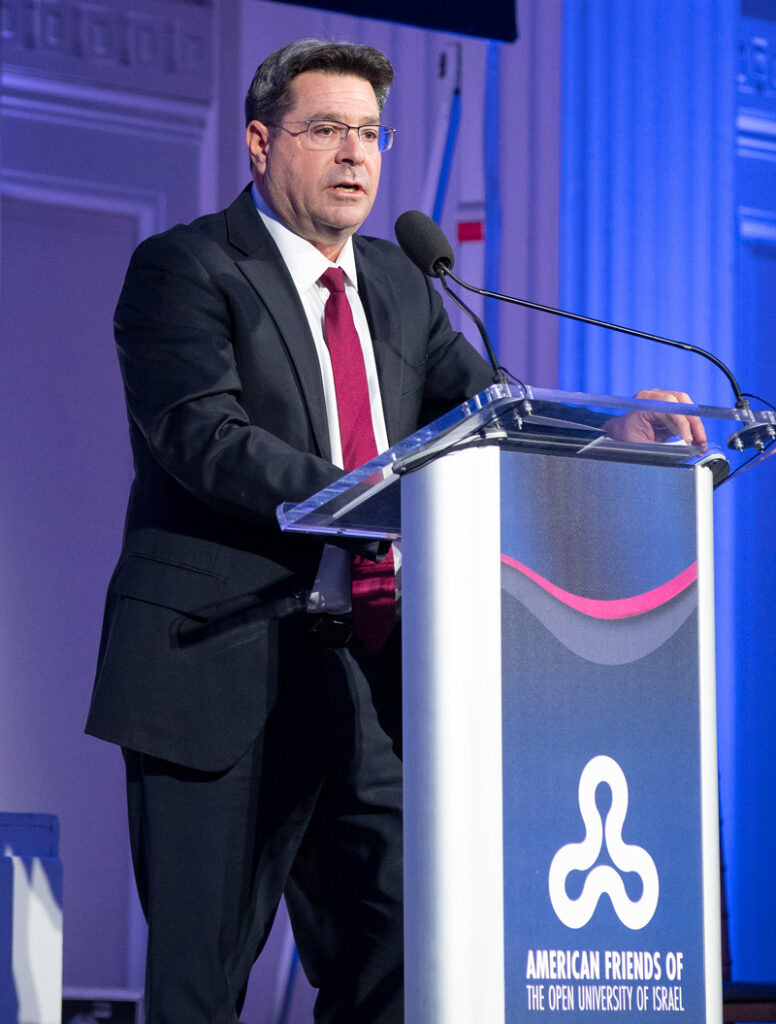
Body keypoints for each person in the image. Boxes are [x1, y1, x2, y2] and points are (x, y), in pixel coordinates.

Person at [86, 38, 706, 1024]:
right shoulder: (187, 267)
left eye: (369, 134)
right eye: (325, 129)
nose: (354, 156)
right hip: (217, 662)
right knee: (199, 984)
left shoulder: (402, 283)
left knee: (401, 947)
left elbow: (488, 414)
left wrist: (609, 435)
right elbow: (204, 440)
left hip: (368, 673)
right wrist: (389, 497)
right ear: (259, 143)